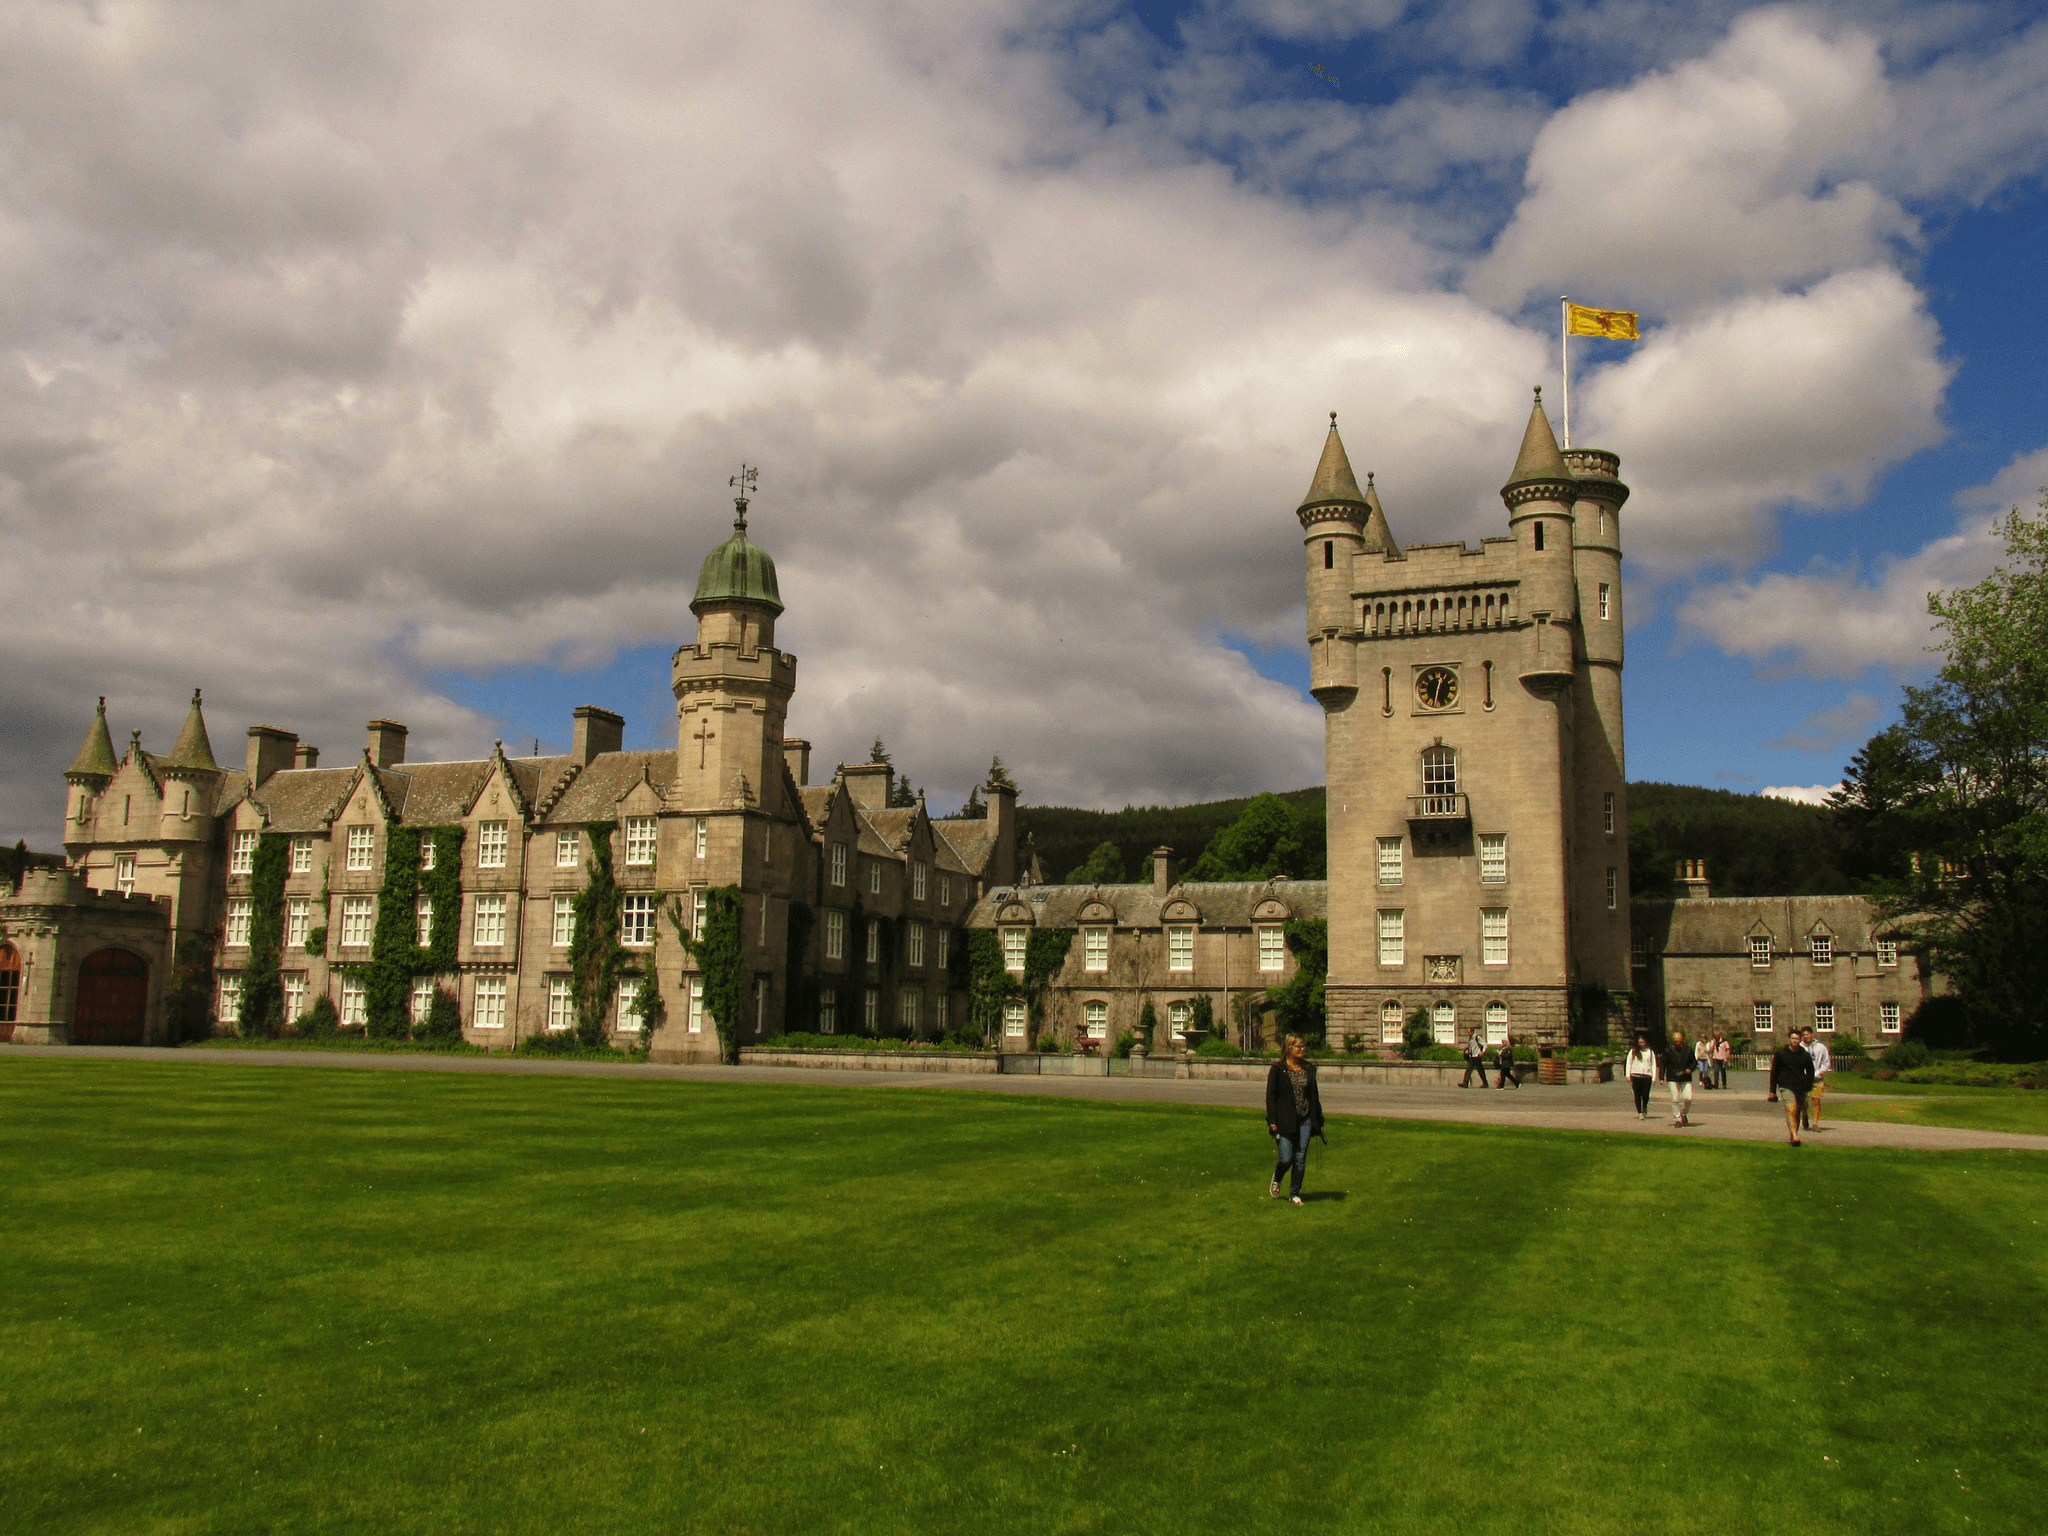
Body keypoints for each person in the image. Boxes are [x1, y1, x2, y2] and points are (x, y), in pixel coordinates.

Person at [1266, 1034, 1325, 1205]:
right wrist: (1272, 1120)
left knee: (1300, 1158)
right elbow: (1271, 1096)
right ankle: (1277, 1177)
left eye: (1303, 1046)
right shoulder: (1278, 1069)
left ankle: (1294, 1194)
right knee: (1286, 1158)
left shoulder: (1308, 1069)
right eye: (1298, 1047)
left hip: (1305, 1118)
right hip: (1285, 1119)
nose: (1302, 1050)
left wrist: (1319, 1121)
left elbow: (1314, 1097)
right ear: (1288, 1049)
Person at [1771, 1029, 1815, 1145]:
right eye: (1793, 1038)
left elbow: (1810, 1071)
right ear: (1789, 1039)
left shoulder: (1804, 1054)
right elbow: (1774, 1072)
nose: (1794, 1041)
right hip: (1786, 1085)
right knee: (1791, 1109)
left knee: (1797, 1112)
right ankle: (1795, 1136)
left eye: (1797, 1039)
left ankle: (1793, 1133)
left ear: (1800, 1040)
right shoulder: (1781, 1053)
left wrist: (1808, 1084)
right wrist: (1772, 1091)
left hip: (1800, 1086)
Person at [1661, 1028, 1697, 1126]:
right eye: (1676, 1041)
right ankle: (1677, 1119)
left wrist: (1690, 1069)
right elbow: (1663, 1064)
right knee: (1675, 1099)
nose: (1678, 1043)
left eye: (1679, 1041)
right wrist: (1661, 1078)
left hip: (1685, 1076)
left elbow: (1694, 1062)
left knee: (1688, 1098)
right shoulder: (1668, 1050)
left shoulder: (1688, 1050)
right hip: (1672, 1076)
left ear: (1682, 1040)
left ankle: (1683, 1113)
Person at [1803, 1026, 1832, 1129]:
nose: (1806, 1037)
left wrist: (1818, 1073)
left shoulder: (1820, 1047)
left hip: (1817, 1079)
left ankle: (1815, 1123)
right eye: (1804, 1035)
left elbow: (1826, 1063)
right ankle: (1805, 1116)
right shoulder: (1800, 1047)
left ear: (1812, 1035)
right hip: (1803, 1079)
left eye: (1807, 1034)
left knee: (1816, 1100)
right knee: (1803, 1102)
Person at [1624, 1033, 1657, 1120]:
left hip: (1646, 1076)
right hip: (1636, 1075)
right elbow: (1629, 1063)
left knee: (1645, 1095)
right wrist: (1628, 1075)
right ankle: (1639, 1112)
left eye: (1642, 1042)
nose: (1641, 1044)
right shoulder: (1633, 1052)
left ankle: (1644, 1107)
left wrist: (1654, 1077)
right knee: (1637, 1095)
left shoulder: (1650, 1052)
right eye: (1639, 1042)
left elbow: (1653, 1064)